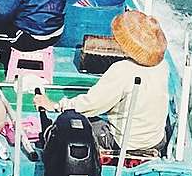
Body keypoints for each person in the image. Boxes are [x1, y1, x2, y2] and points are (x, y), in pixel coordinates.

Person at [40, 9, 170, 159]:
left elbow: (90, 105)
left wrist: (56, 106)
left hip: (124, 144)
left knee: (71, 122)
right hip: (156, 141)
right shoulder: (162, 66)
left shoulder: (122, 70)